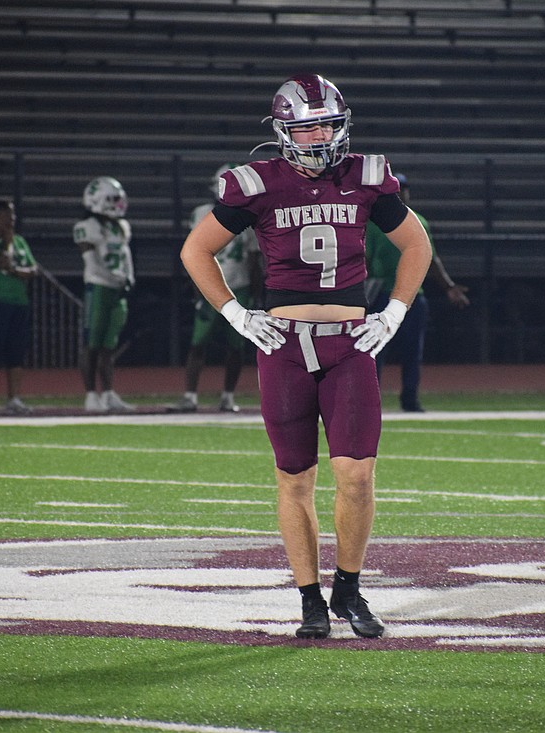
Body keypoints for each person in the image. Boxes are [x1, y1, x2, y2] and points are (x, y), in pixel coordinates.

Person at [179, 74, 432, 639]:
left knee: (358, 476)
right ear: (284, 131)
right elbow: (196, 249)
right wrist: (236, 314)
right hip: (284, 345)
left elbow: (416, 244)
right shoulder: (256, 183)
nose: (320, 138)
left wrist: (393, 312)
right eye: (308, 127)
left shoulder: (366, 177)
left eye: (328, 125)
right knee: (295, 478)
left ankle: (348, 587)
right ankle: (308, 601)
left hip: (350, 343)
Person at [365, 172, 470, 412]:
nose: (401, 193)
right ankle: (373, 401)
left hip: (413, 295)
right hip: (383, 294)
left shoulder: (419, 222)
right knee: (375, 349)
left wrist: (449, 287)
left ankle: (409, 399)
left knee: (412, 351)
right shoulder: (374, 224)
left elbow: (431, 259)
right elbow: (365, 261)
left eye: (403, 189)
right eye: (397, 189)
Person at [168, 164, 263, 414]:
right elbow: (195, 252)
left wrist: (256, 291)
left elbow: (254, 260)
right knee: (198, 344)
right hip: (212, 288)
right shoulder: (202, 213)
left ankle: (227, 396)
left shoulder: (252, 213)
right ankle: (190, 396)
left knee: (236, 347)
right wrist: (198, 289)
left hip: (240, 288)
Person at [75, 176, 136, 413]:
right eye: (111, 199)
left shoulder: (120, 226)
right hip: (99, 289)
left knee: (109, 346)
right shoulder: (87, 227)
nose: (117, 204)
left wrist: (129, 277)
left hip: (117, 290)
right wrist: (116, 278)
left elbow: (126, 255)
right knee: (92, 344)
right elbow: (92, 263)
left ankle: (109, 394)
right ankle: (91, 395)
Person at [0, 199, 37, 416]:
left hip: (19, 302)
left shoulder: (20, 241)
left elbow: (33, 269)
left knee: (16, 353)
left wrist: (15, 270)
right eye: (8, 214)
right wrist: (8, 246)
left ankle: (14, 399)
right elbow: (0, 262)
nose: (13, 219)